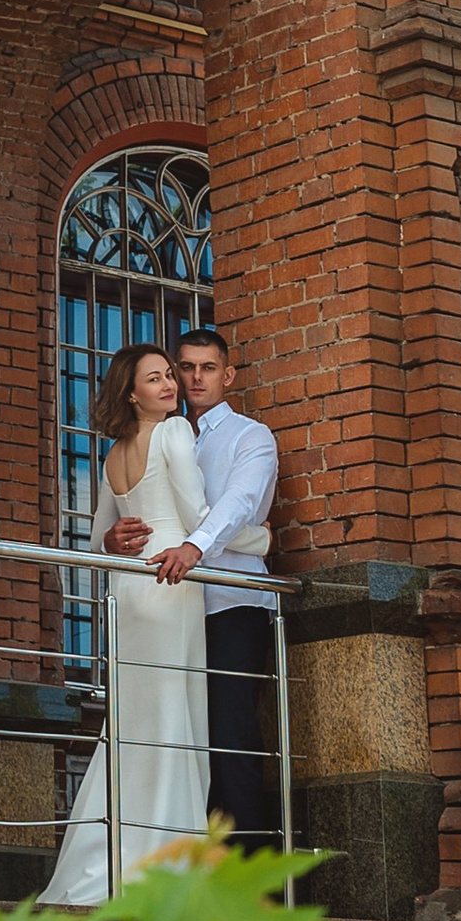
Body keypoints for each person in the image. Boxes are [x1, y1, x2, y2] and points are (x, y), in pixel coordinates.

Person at [39, 342, 212, 904]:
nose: (170, 385)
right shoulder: (176, 433)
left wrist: (116, 542)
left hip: (130, 588)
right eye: (156, 379)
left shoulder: (114, 454)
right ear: (131, 393)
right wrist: (256, 538)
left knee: (134, 723)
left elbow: (97, 541)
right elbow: (196, 514)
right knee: (174, 720)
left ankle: (108, 857)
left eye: (170, 376)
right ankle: (167, 864)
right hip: (170, 581)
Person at [105, 323, 286, 841]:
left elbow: (234, 508)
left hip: (229, 603)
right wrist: (111, 540)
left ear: (227, 375)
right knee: (184, 737)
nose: (194, 378)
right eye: (185, 368)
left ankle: (249, 881)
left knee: (231, 742)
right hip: (174, 607)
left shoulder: (249, 436)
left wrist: (196, 546)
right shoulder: (163, 432)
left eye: (207, 368)